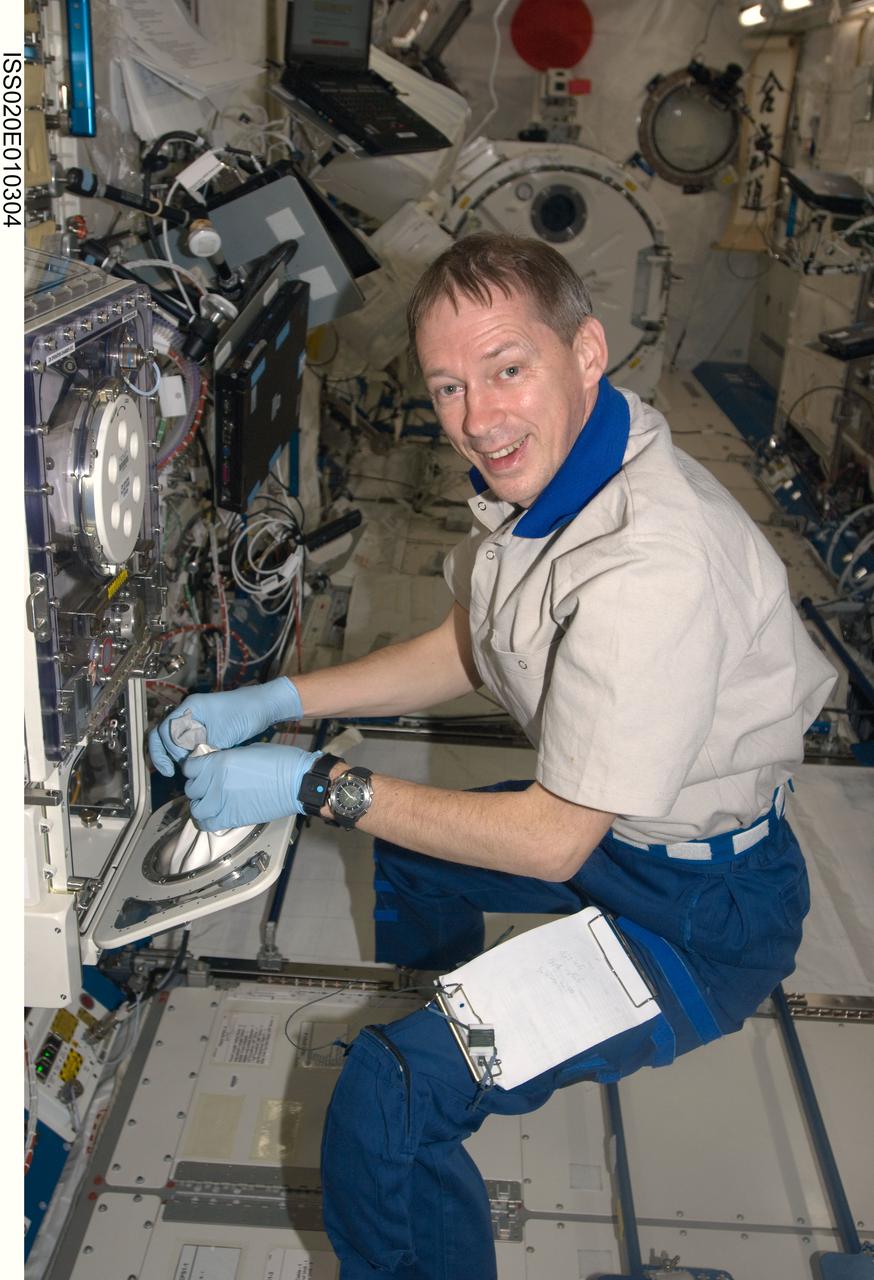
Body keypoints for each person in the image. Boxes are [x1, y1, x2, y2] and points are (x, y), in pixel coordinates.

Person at [149, 233, 836, 1279]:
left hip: (703, 918)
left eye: (507, 368)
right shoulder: (572, 469)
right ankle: (473, 1035)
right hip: (625, 842)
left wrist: (310, 782)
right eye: (449, 387)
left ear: (586, 351)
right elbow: (472, 644)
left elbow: (553, 841)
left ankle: (434, 1078)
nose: (478, 418)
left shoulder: (649, 563)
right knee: (416, 856)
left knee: (389, 1093)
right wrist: (278, 699)